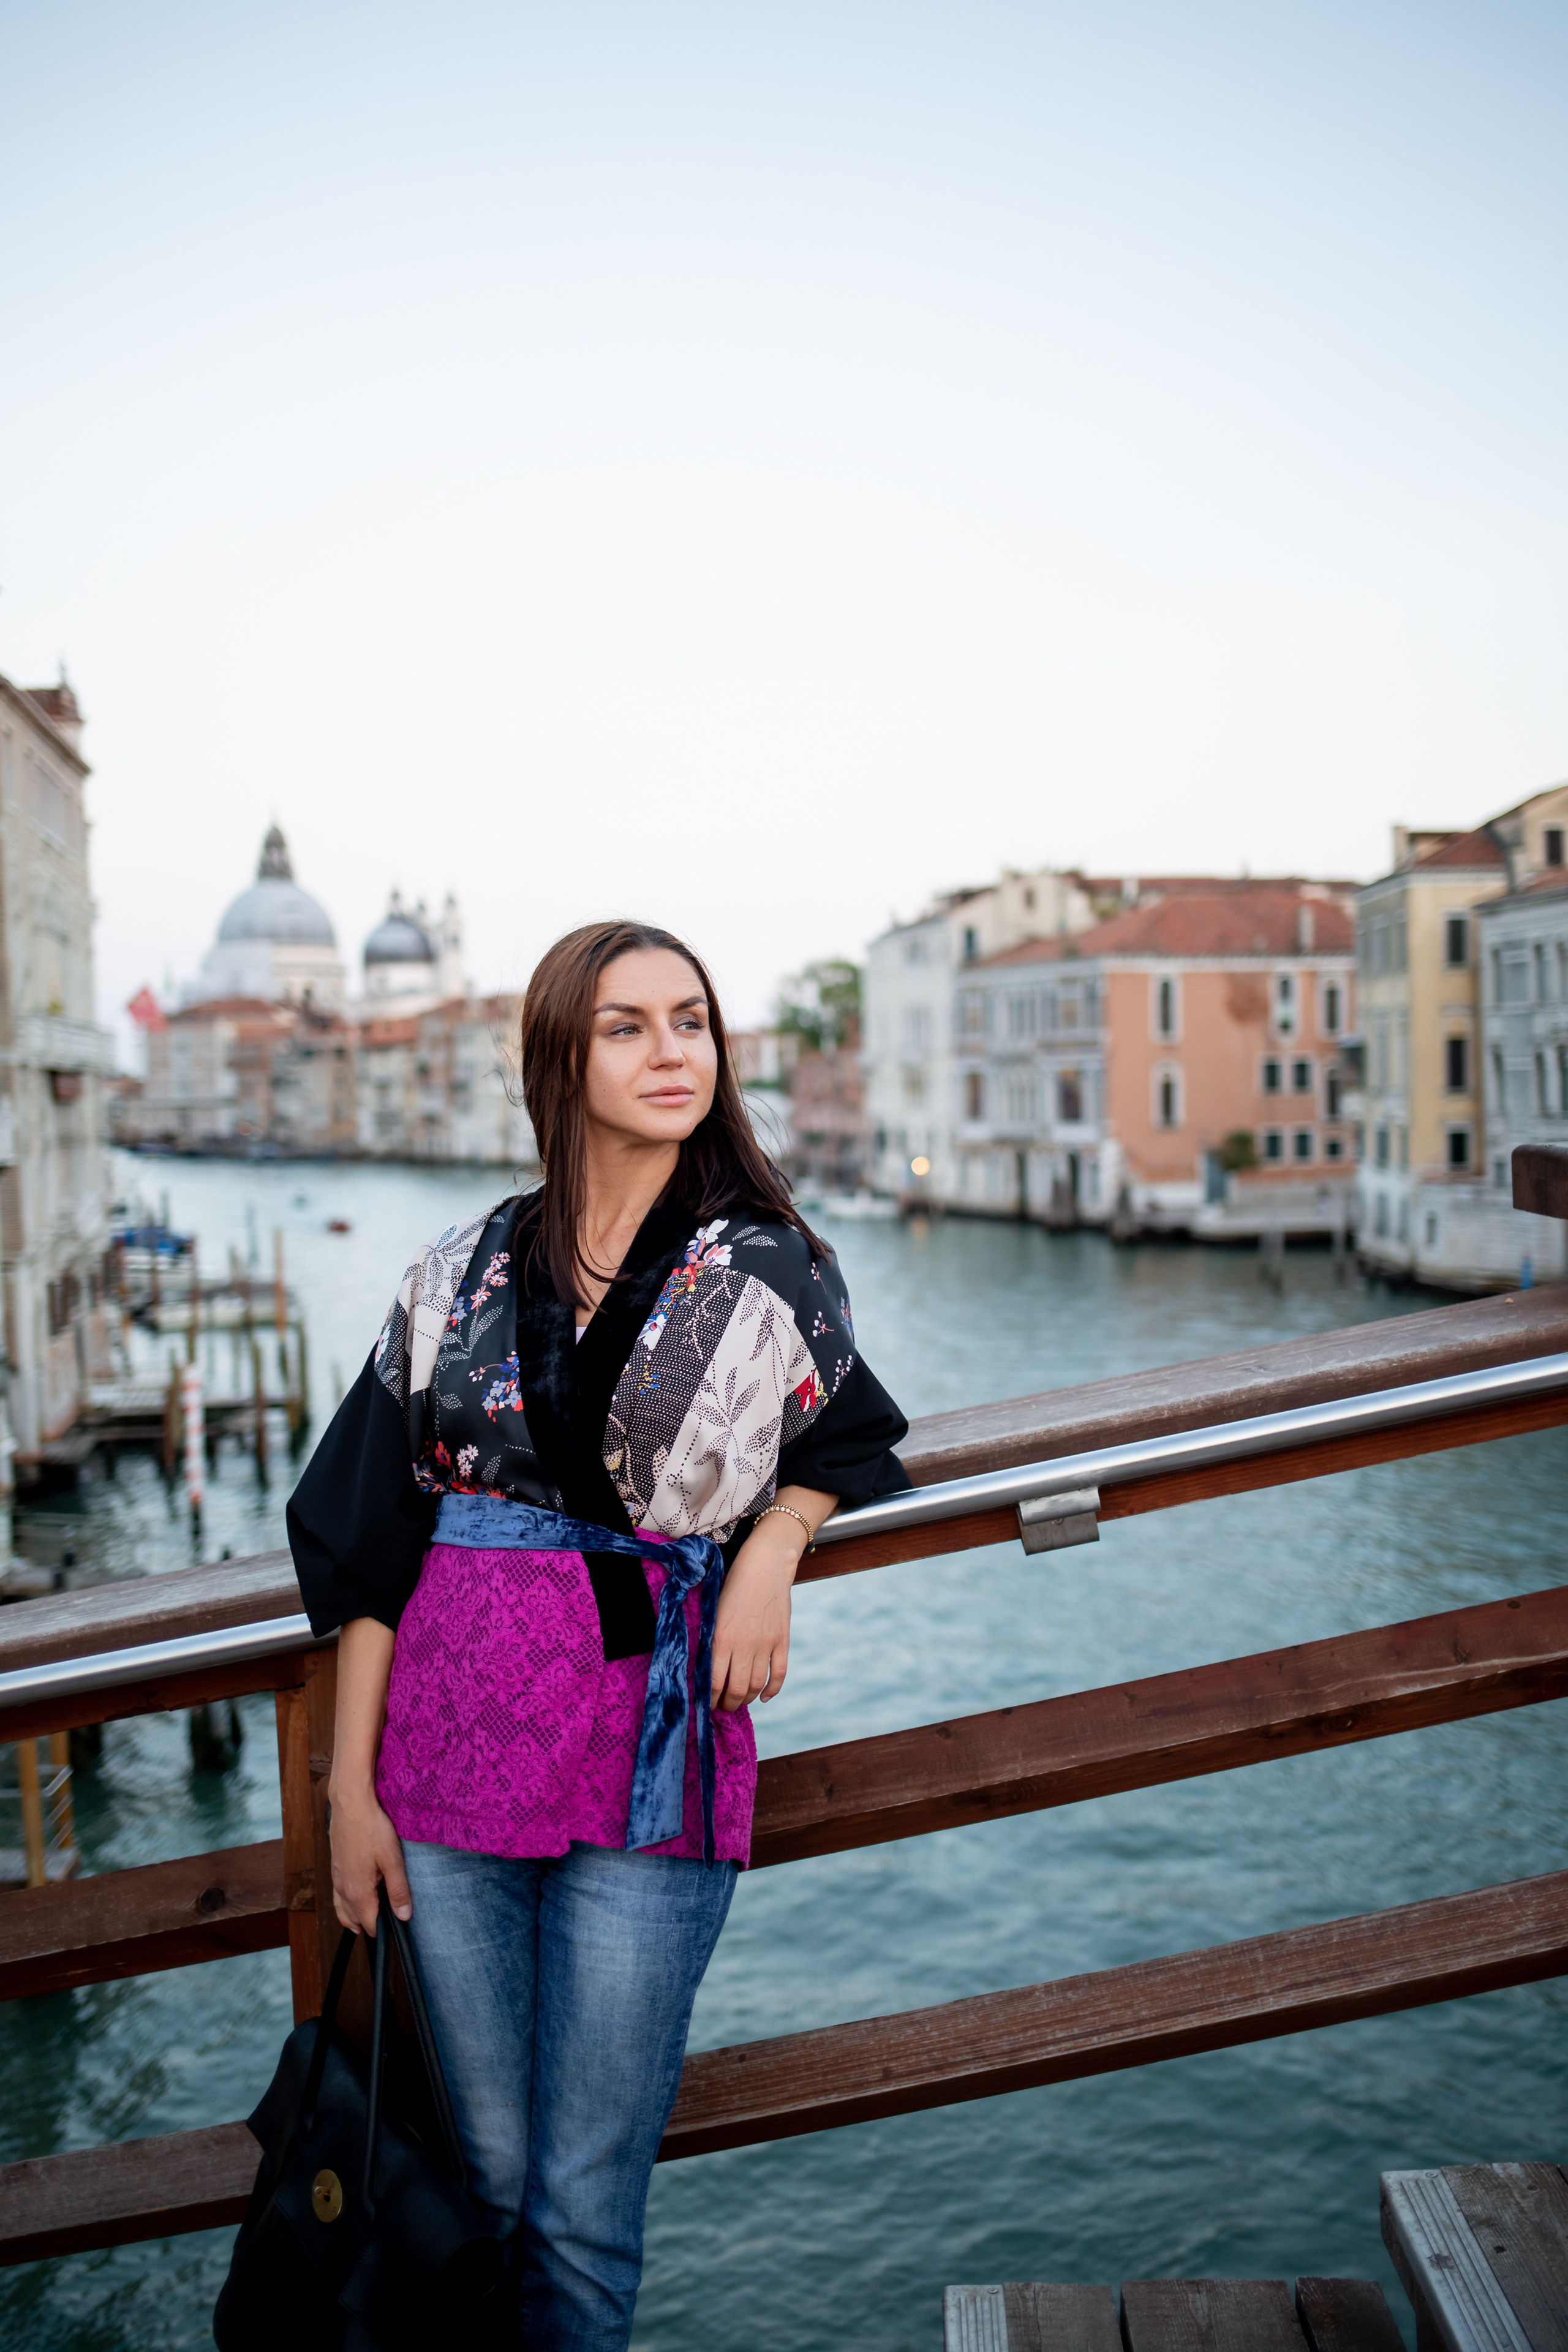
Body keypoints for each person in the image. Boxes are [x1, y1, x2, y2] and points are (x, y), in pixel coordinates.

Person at [287, 918, 909, 2350]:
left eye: (688, 1019)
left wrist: (774, 1542)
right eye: (625, 1025)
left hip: (651, 1751)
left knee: (578, 2205)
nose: (669, 1050)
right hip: (440, 1765)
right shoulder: (455, 1272)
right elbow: (371, 1541)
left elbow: (853, 1434)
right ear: (558, 1060)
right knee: (492, 2180)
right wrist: (348, 1792)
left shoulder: (767, 1268)